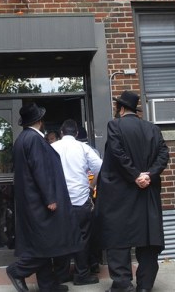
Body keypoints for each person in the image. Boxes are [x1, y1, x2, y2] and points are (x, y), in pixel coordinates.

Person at [96, 91, 170, 292]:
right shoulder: (152, 128)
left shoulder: (115, 125)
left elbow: (117, 153)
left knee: (118, 239)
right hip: (147, 194)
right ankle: (145, 286)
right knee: (148, 240)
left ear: (120, 109)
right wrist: (149, 175)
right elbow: (164, 154)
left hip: (120, 194)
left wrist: (135, 175)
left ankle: (123, 284)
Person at [6, 104, 81, 292]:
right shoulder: (34, 139)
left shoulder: (22, 139)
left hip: (31, 201)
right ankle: (17, 270)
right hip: (40, 202)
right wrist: (50, 198)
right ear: (39, 121)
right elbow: (41, 171)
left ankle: (48, 286)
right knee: (46, 245)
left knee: (44, 244)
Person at [50, 119, 103, 286]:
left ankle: (61, 274)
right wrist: (91, 185)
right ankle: (82, 274)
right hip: (80, 199)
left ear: (61, 132)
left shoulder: (52, 147)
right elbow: (100, 166)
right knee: (83, 238)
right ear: (77, 133)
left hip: (59, 201)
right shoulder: (83, 147)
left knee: (61, 238)